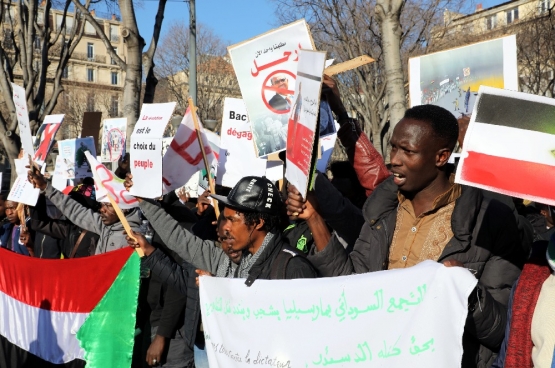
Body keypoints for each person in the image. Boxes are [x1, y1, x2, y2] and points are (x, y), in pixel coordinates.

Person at [287, 104, 527, 367]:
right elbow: (352, 288)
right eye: (393, 147)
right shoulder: (382, 211)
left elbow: (502, 332)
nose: (394, 160)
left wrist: (467, 291)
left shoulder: (490, 221)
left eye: (408, 151)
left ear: (441, 156)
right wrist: (314, 219)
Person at [126, 175, 318, 286]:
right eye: (224, 218)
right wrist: (143, 199)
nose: (224, 227)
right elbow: (180, 240)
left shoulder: (292, 268)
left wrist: (220, 293)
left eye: (232, 220)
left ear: (258, 223)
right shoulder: (228, 260)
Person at [27, 168, 142, 254]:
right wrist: (45, 187)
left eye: (107, 205)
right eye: (101, 205)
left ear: (124, 209)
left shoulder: (135, 239)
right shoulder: (103, 226)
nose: (101, 210)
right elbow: (75, 210)